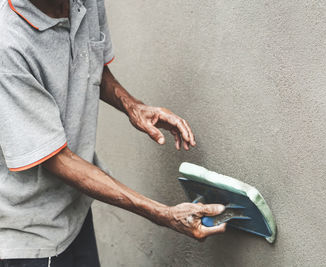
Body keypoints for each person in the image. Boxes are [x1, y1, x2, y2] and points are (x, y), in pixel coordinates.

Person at [0, 0, 226, 266]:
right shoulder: (8, 44)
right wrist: (163, 214)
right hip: (29, 233)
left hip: (75, 211)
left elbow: (90, 59)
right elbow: (55, 158)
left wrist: (133, 106)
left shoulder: (85, 2)